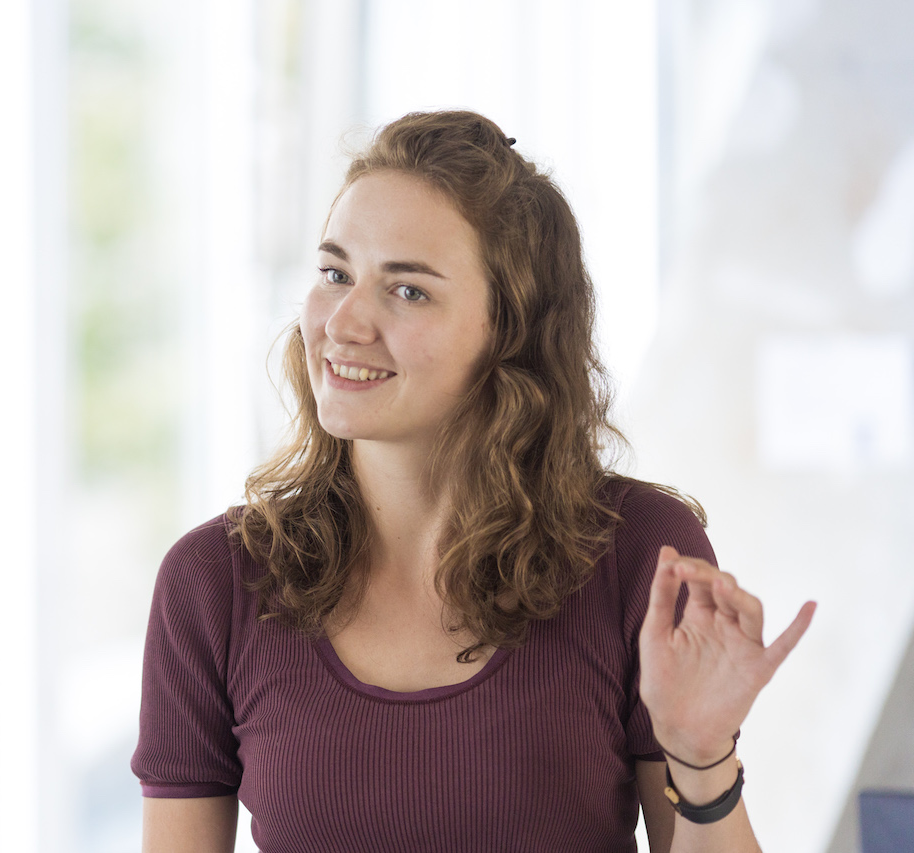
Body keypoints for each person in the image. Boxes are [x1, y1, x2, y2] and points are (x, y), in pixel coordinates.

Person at [132, 110, 815, 852]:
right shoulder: (214, 583)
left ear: (509, 331)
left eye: (409, 291)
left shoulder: (638, 557)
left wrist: (703, 755)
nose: (345, 321)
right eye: (335, 273)